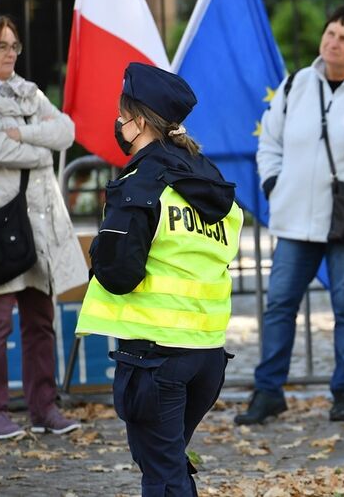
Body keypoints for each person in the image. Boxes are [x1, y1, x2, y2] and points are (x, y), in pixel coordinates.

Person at [235, 6, 344, 425]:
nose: (332, 43)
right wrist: (273, 184)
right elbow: (269, 142)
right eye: (330, 33)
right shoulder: (295, 84)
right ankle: (268, 392)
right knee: (279, 305)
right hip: (294, 219)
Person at [75, 62, 243, 495]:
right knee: (167, 464)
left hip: (156, 358)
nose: (118, 123)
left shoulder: (140, 182)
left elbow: (118, 273)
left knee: (164, 476)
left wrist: (99, 250)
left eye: (121, 115)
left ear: (138, 121)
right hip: (206, 354)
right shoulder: (208, 179)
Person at [0, 14, 87, 439]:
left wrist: (20, 133)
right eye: (1, 45)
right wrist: (39, 149)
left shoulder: (29, 92)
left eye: (14, 46)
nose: (10, 53)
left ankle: (44, 409)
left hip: (38, 223)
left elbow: (67, 131)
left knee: (40, 320)